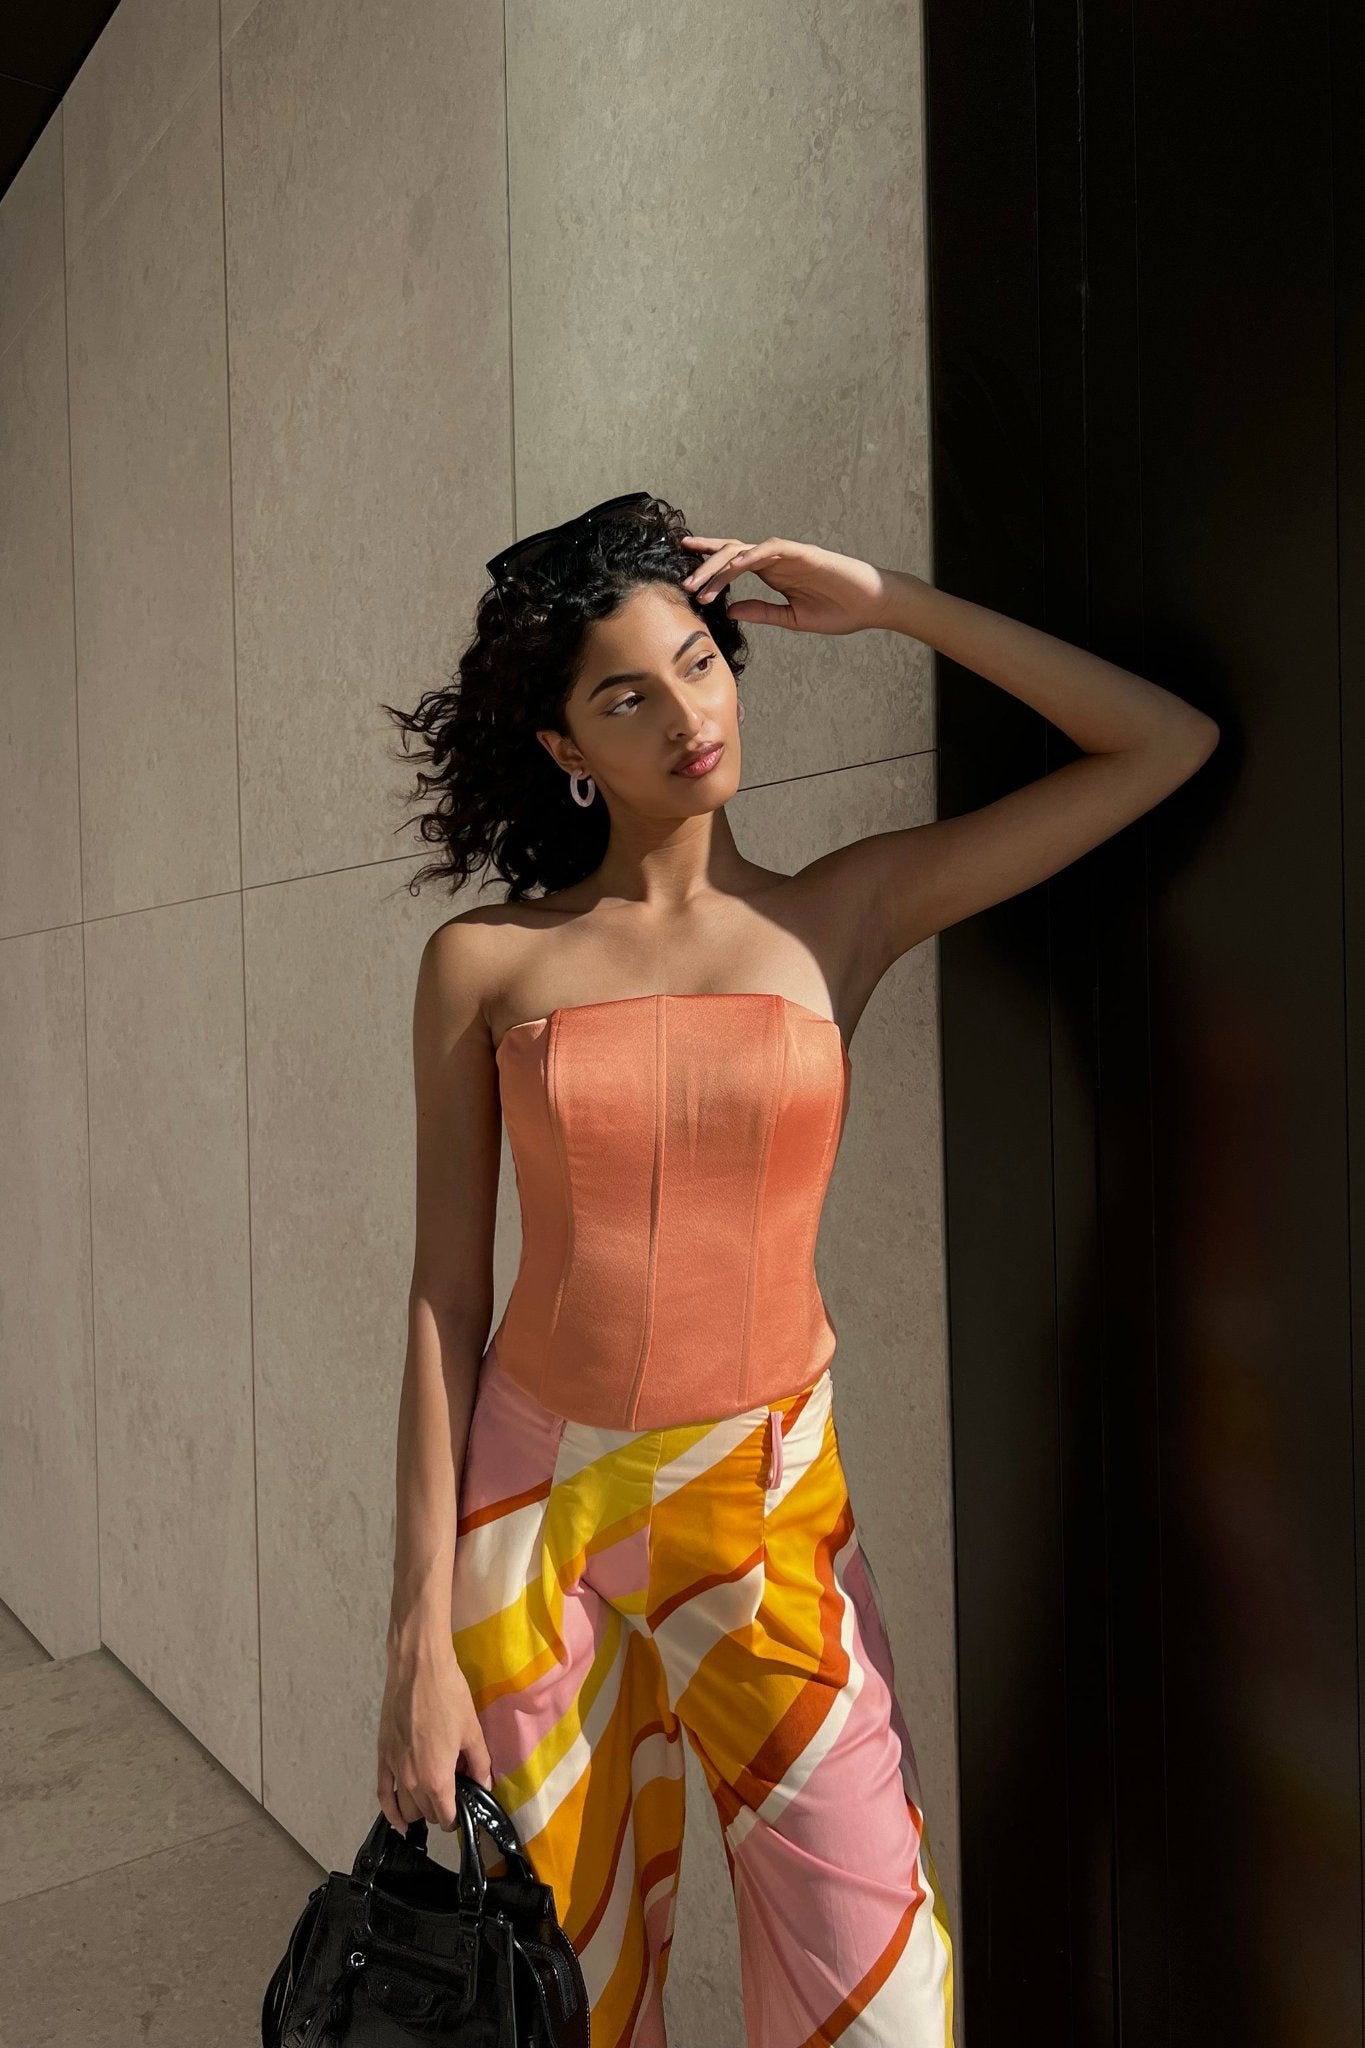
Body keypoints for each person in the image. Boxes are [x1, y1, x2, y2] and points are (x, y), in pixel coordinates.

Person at [374, 493, 1219, 2047]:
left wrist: (891, 599)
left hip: (766, 1510)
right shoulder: (488, 963)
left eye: (699, 663)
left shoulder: (843, 913)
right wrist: (415, 1643)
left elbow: (1159, 744)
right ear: (566, 745)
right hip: (532, 1520)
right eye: (624, 694)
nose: (684, 714)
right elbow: (445, 1294)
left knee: (881, 2004)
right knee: (560, 2003)